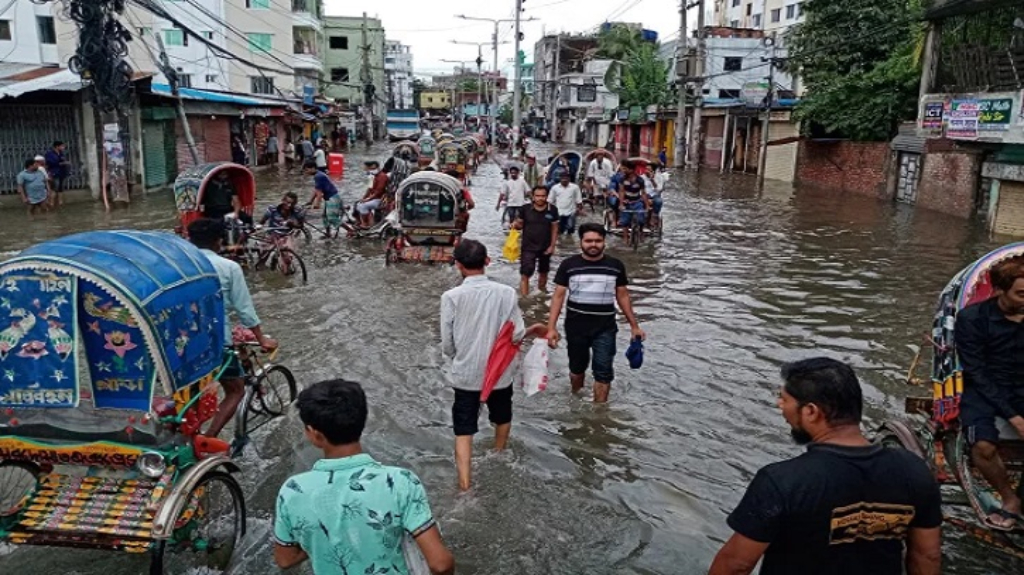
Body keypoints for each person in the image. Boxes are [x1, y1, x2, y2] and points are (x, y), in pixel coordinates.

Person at [709, 358, 942, 575]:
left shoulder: (781, 481)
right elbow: (927, 555)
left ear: (811, 412)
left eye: (785, 399)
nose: (780, 405)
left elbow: (736, 565)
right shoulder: (914, 471)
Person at [273, 379, 455, 575]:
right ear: (362, 420)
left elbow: (285, 559)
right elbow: (440, 564)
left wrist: (327, 534)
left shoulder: (292, 491)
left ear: (315, 434)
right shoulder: (399, 482)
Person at [440, 240, 546, 491]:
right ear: (487, 262)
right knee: (502, 416)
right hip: (500, 374)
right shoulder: (506, 293)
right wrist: (535, 330)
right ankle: (499, 454)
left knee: (464, 430)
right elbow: (517, 334)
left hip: (465, 375)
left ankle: (465, 486)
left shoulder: (451, 297)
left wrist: (459, 355)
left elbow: (447, 343)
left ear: (458, 265)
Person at [187, 218, 277, 438]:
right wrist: (261, 339)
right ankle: (209, 438)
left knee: (190, 394)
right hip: (216, 340)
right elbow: (245, 309)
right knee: (235, 389)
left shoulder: (180, 266)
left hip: (183, 342)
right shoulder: (229, 267)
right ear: (219, 241)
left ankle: (189, 436)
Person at [954, 256, 1024, 530]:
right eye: (1020, 294)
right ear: (999, 291)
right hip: (984, 388)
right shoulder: (972, 319)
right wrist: (1014, 417)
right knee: (983, 446)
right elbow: (976, 372)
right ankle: (1009, 499)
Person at [545, 223, 644, 403]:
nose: (593, 245)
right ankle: (576, 400)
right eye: (589, 241)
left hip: (605, 327)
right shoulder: (569, 265)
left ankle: (599, 414)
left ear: (604, 242)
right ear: (581, 242)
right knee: (577, 369)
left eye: (598, 241)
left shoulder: (615, 266)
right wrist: (551, 327)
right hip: (576, 327)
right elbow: (558, 296)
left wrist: (634, 326)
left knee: (604, 371)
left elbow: (622, 295)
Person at [513, 186, 559, 297]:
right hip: (528, 246)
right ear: (533, 197)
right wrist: (515, 225)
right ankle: (524, 298)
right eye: (537, 196)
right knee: (526, 272)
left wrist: (552, 246)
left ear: (547, 196)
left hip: (545, 246)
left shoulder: (552, 210)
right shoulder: (525, 209)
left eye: (543, 196)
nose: (540, 198)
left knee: (543, 272)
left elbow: (555, 229)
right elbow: (519, 225)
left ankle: (540, 295)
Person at [302, 160, 342, 234]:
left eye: (307, 170)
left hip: (332, 198)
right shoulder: (318, 174)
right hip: (330, 198)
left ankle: (350, 230)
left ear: (313, 168)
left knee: (332, 218)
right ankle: (328, 233)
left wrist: (317, 204)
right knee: (324, 217)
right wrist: (310, 201)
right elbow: (316, 190)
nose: (306, 172)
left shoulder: (318, 176)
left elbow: (319, 194)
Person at [617, 160, 650, 233]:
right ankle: (625, 240)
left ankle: (641, 233)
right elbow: (621, 191)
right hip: (626, 202)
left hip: (637, 202)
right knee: (624, 222)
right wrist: (621, 204)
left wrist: (647, 206)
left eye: (625, 169)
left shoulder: (640, 180)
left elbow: (643, 193)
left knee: (641, 220)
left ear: (631, 170)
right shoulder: (622, 179)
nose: (623, 170)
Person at [356, 160, 388, 228]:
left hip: (380, 200)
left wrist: (367, 199)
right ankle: (367, 223)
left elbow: (378, 191)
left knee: (363, 206)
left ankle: (365, 224)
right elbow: (369, 189)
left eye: (372, 169)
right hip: (374, 198)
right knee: (358, 203)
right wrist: (364, 198)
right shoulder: (372, 177)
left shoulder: (382, 177)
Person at [550, 171, 583, 236]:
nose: (564, 180)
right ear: (560, 178)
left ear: (569, 179)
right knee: (560, 230)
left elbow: (579, 199)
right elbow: (550, 200)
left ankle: (569, 241)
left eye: (566, 178)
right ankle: (561, 244)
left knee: (570, 229)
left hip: (571, 212)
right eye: (563, 178)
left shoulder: (575, 187)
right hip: (559, 211)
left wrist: (579, 209)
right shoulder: (555, 188)